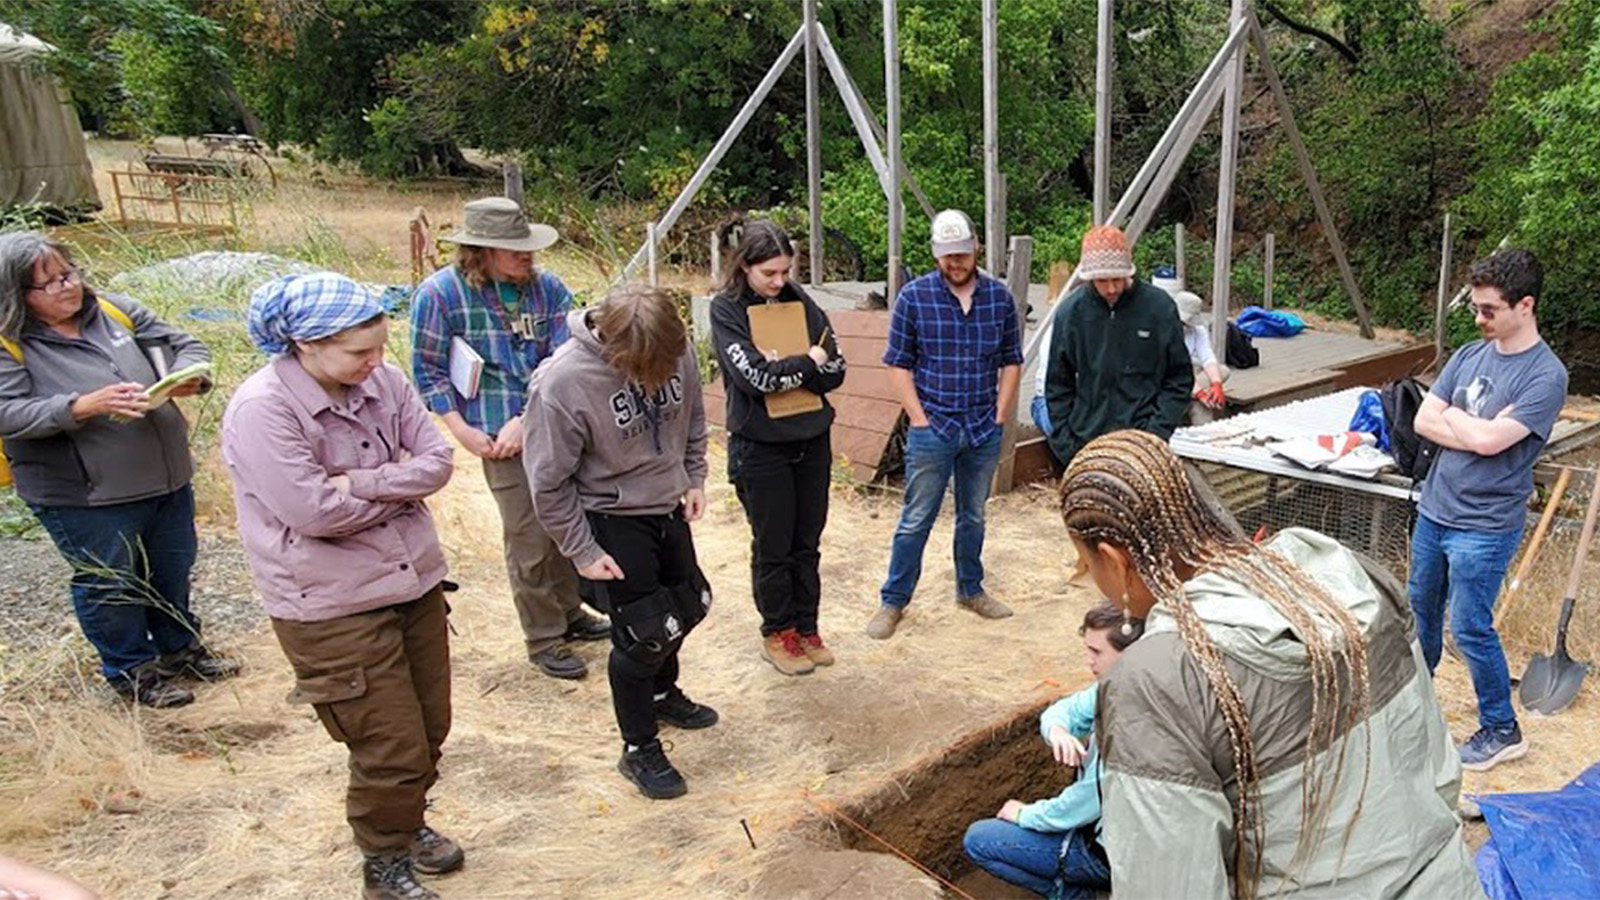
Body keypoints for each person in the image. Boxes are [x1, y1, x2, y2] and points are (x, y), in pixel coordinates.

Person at [1060, 430, 1480, 899]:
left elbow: (1170, 887)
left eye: (1085, 564)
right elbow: (1439, 773)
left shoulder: (1158, 680)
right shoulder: (1348, 576)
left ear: (1115, 562)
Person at [223, 273, 463, 900]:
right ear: (306, 344)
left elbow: (436, 462)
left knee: (429, 726)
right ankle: (382, 863)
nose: (376, 364)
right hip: (329, 605)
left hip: (412, 581)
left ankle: (405, 824)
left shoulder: (383, 381)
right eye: (359, 352)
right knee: (389, 744)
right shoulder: (262, 409)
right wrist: (393, 485)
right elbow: (313, 512)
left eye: (381, 348)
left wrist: (355, 482)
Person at [0, 231, 235, 709]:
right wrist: (80, 406)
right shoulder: (10, 344)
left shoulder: (114, 311)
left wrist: (191, 375)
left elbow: (184, 344)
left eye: (69, 273)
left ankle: (180, 649)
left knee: (172, 567)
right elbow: (8, 413)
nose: (67, 287)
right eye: (48, 284)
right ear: (15, 294)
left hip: (166, 476)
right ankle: (132, 672)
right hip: (85, 494)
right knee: (111, 582)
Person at [525, 282, 718, 801]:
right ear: (615, 349)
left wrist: (694, 477)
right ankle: (638, 749)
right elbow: (546, 482)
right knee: (642, 635)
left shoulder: (675, 352)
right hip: (610, 515)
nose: (662, 374)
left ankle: (661, 692)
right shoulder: (562, 384)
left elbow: (695, 419)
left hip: (668, 502)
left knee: (689, 606)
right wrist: (582, 550)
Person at [410, 197, 608, 681]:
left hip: (556, 427)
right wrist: (460, 429)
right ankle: (543, 637)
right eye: (513, 249)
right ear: (481, 251)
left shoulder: (548, 289)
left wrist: (529, 415)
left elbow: (567, 361)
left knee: (568, 521)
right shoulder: (438, 295)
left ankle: (570, 611)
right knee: (528, 537)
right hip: (496, 436)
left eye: (527, 248)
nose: (526, 257)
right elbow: (429, 371)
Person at [1410, 248, 1567, 771]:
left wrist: (1458, 422)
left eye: (1489, 310)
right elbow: (1423, 420)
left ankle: (1502, 728)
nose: (1479, 320)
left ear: (1525, 306)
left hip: (1484, 524)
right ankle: (1414, 707)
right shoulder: (1468, 355)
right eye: (1475, 308)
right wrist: (1468, 427)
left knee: (1471, 627)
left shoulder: (1545, 376)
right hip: (1436, 509)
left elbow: (1490, 442)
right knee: (1421, 616)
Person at [866, 209, 1023, 640]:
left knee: (972, 515)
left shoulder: (999, 298)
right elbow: (898, 364)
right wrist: (918, 418)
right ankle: (893, 601)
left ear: (976, 248)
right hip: (933, 426)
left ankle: (970, 590)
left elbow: (1012, 358)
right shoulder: (914, 298)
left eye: (961, 254)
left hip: (981, 426)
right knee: (917, 517)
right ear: (936, 255)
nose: (955, 263)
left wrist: (1001, 412)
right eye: (946, 256)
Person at [709, 221, 847, 676]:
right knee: (774, 544)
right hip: (761, 446)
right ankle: (778, 630)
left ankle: (807, 626)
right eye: (769, 272)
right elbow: (755, 380)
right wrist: (808, 361)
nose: (779, 281)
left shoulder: (799, 300)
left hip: (811, 439)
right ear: (745, 265)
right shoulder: (726, 310)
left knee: (807, 541)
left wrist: (790, 368)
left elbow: (837, 370)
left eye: (785, 270)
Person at [962, 601, 1141, 899]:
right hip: (1113, 838)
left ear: (1128, 655)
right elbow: (1063, 712)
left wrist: (1024, 814)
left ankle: (1076, 894)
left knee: (979, 840)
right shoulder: (1116, 687)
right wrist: (1058, 732)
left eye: (1096, 652)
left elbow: (1080, 805)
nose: (1088, 661)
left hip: (1109, 855)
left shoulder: (1130, 726)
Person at [1044, 225, 1192, 466]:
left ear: (1129, 272)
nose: (1111, 288)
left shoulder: (1159, 308)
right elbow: (1057, 385)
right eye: (1102, 280)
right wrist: (1068, 446)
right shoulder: (1071, 313)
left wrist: (1156, 433)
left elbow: (1179, 378)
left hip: (1144, 442)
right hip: (1086, 443)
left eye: (1117, 279)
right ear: (1089, 277)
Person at [1170, 290, 1229, 425]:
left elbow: (1207, 357)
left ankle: (1204, 431)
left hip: (1192, 373)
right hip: (1169, 378)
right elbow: (1175, 368)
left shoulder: (1198, 331)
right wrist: (1199, 393)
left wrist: (1216, 384)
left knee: (1222, 371)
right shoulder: (1164, 330)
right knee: (1198, 402)